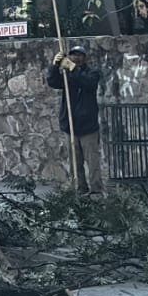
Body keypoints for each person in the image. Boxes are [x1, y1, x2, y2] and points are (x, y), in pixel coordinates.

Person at [47, 44, 104, 195]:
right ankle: (80, 189)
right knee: (75, 162)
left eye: (79, 55)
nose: (76, 57)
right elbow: (53, 82)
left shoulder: (92, 73)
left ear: (84, 58)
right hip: (70, 125)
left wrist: (73, 68)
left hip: (88, 127)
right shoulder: (66, 76)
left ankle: (96, 191)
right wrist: (55, 66)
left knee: (93, 162)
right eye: (73, 55)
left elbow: (88, 83)